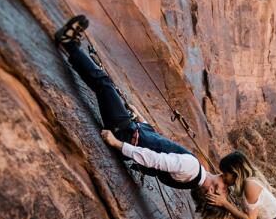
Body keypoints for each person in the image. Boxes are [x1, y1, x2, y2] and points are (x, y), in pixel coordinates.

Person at [55, 15, 225, 196]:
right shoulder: (192, 176)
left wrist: (117, 144)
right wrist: (142, 120)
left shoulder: (192, 168)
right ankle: (72, 50)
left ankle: (68, 42)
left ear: (213, 188)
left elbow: (154, 159)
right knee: (105, 87)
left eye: (223, 190)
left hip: (125, 134)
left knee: (104, 84)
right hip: (131, 131)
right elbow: (159, 144)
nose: (225, 185)